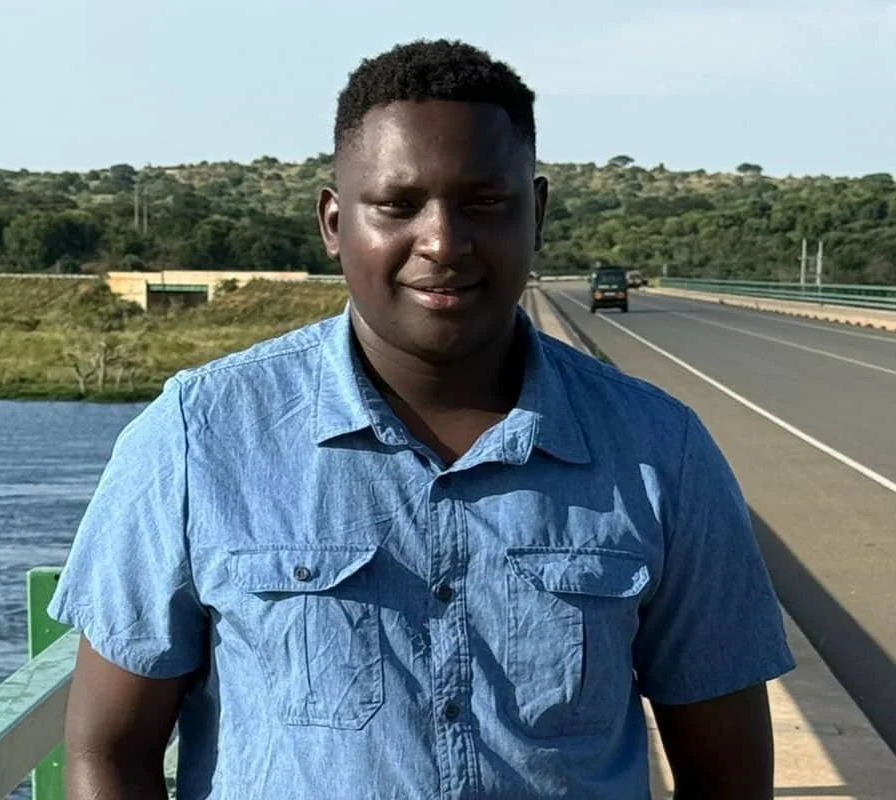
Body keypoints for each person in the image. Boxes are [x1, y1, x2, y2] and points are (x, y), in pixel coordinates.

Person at [49, 39, 795, 799]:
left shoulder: (658, 450)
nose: (442, 242)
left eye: (484, 203)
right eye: (398, 205)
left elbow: (727, 771)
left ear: (535, 213)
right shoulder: (199, 437)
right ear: (334, 222)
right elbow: (110, 750)